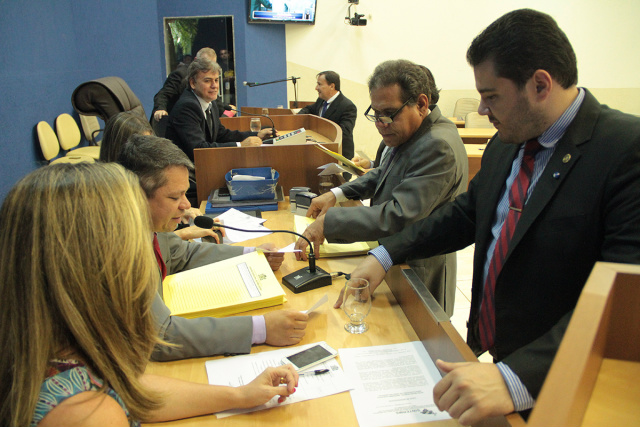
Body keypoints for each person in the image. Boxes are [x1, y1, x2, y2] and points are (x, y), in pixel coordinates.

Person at [348, 9, 640, 424]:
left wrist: (515, 376)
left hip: (562, 380)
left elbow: (624, 301)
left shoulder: (625, 149)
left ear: (540, 84)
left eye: (491, 95)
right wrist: (386, 255)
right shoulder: (509, 141)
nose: (482, 110)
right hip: (496, 359)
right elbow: (467, 215)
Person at [0, 163, 298, 426]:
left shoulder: (46, 345)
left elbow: (132, 388)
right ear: (94, 265)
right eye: (135, 237)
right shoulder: (86, 413)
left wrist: (240, 394)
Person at [295, 60, 468, 316]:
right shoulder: (413, 130)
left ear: (421, 104)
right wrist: (337, 193)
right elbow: (383, 172)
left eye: (387, 113)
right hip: (392, 258)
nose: (379, 123)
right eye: (375, 113)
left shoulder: (437, 145)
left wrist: (328, 222)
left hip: (418, 269)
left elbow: (399, 213)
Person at [118, 134, 308, 361]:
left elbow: (182, 254)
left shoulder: (151, 227)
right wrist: (261, 328)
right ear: (135, 196)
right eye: (173, 197)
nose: (186, 205)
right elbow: (160, 336)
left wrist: (254, 255)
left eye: (184, 194)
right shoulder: (121, 248)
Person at [165, 58, 275, 161]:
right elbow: (199, 148)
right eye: (208, 81)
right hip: (187, 171)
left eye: (216, 80)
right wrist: (241, 145)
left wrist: (256, 135)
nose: (214, 86)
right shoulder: (187, 106)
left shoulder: (210, 103)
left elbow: (221, 134)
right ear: (193, 83)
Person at [151, 47, 234, 126]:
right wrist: (160, 109)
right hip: (175, 123)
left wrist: (227, 110)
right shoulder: (180, 74)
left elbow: (214, 101)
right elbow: (163, 94)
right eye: (205, 64)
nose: (209, 69)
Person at [297, 71, 357, 166]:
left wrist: (319, 135)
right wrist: (297, 118)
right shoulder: (321, 100)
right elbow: (309, 109)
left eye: (319, 84)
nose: (316, 88)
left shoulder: (348, 106)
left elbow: (344, 132)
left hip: (340, 157)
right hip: (322, 155)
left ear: (332, 86)